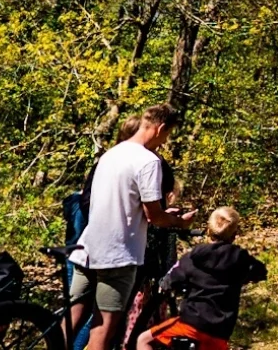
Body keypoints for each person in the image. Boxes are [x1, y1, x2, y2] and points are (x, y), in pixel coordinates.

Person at [68, 104, 197, 350]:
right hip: (117, 256)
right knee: (102, 335)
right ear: (160, 128)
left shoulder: (110, 154)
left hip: (86, 248)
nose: (164, 142)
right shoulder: (149, 161)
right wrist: (179, 221)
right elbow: (155, 217)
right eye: (166, 136)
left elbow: (121, 202)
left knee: (70, 323)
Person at [137, 207, 267, 350]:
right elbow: (260, 271)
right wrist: (246, 277)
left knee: (144, 340)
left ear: (208, 230)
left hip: (191, 324)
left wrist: (164, 285)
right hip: (220, 332)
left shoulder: (192, 258)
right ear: (234, 235)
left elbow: (171, 278)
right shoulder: (241, 259)